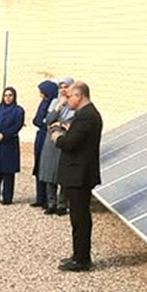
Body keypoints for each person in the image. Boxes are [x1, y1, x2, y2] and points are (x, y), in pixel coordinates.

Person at [51, 81, 103, 271]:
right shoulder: (85, 115)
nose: (68, 99)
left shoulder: (86, 117)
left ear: (79, 96)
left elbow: (71, 143)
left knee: (80, 218)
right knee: (77, 216)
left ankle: (81, 259)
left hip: (79, 174)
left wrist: (58, 137)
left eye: (70, 96)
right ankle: (78, 254)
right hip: (78, 173)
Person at [37, 77, 74, 215]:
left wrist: (60, 123)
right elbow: (48, 120)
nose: (63, 90)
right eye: (61, 87)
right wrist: (60, 105)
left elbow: (71, 123)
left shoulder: (74, 103)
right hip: (50, 142)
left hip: (65, 142)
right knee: (49, 172)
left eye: (66, 87)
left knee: (62, 173)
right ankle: (51, 203)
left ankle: (62, 204)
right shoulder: (54, 102)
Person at [0, 87, 25, 205]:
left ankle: (7, 197)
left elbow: (17, 125)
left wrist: (4, 135)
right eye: (6, 95)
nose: (8, 98)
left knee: (8, 170)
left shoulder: (18, 111)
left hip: (9, 144)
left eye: (10, 95)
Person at [30, 80, 60, 208]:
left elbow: (48, 121)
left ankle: (49, 199)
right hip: (40, 136)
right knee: (39, 167)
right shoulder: (43, 103)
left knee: (47, 166)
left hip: (48, 137)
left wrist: (44, 122)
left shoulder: (54, 104)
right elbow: (37, 120)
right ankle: (40, 197)